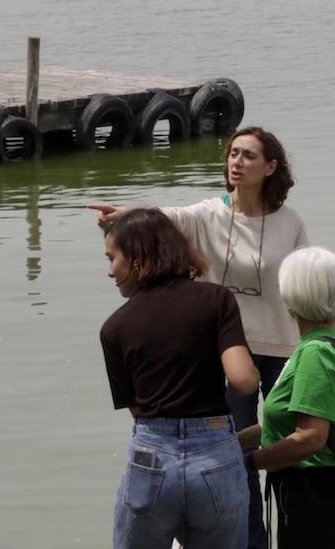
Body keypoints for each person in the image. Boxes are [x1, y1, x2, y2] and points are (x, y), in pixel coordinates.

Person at [91, 125, 307, 549]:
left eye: (247, 156)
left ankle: (292, 531)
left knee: (291, 447)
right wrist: (123, 217)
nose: (236, 163)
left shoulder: (290, 222)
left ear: (271, 166)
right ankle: (251, 539)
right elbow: (163, 218)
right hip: (228, 347)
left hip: (281, 344)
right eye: (232, 154)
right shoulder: (210, 212)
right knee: (238, 450)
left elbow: (302, 282)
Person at [99, 208, 260, 549]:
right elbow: (244, 381)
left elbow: (138, 411)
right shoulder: (216, 300)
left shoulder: (114, 328)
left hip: (152, 456)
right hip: (216, 455)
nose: (110, 271)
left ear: (139, 259)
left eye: (113, 258)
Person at [237, 247, 335, 549]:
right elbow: (295, 418)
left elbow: (310, 437)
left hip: (315, 492)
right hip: (334, 488)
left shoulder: (315, 354)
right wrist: (232, 442)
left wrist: (249, 463)